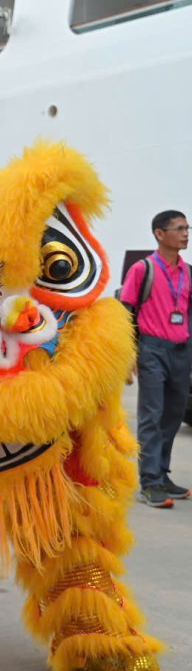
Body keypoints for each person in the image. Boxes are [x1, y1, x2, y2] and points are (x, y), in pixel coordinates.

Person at [120, 209, 192, 508]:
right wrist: (128, 356)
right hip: (151, 350)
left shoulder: (188, 272)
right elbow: (125, 312)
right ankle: (149, 483)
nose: (186, 233)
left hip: (181, 350)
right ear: (160, 234)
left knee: (173, 416)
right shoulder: (142, 269)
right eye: (179, 228)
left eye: (187, 228)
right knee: (152, 416)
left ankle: (162, 475)